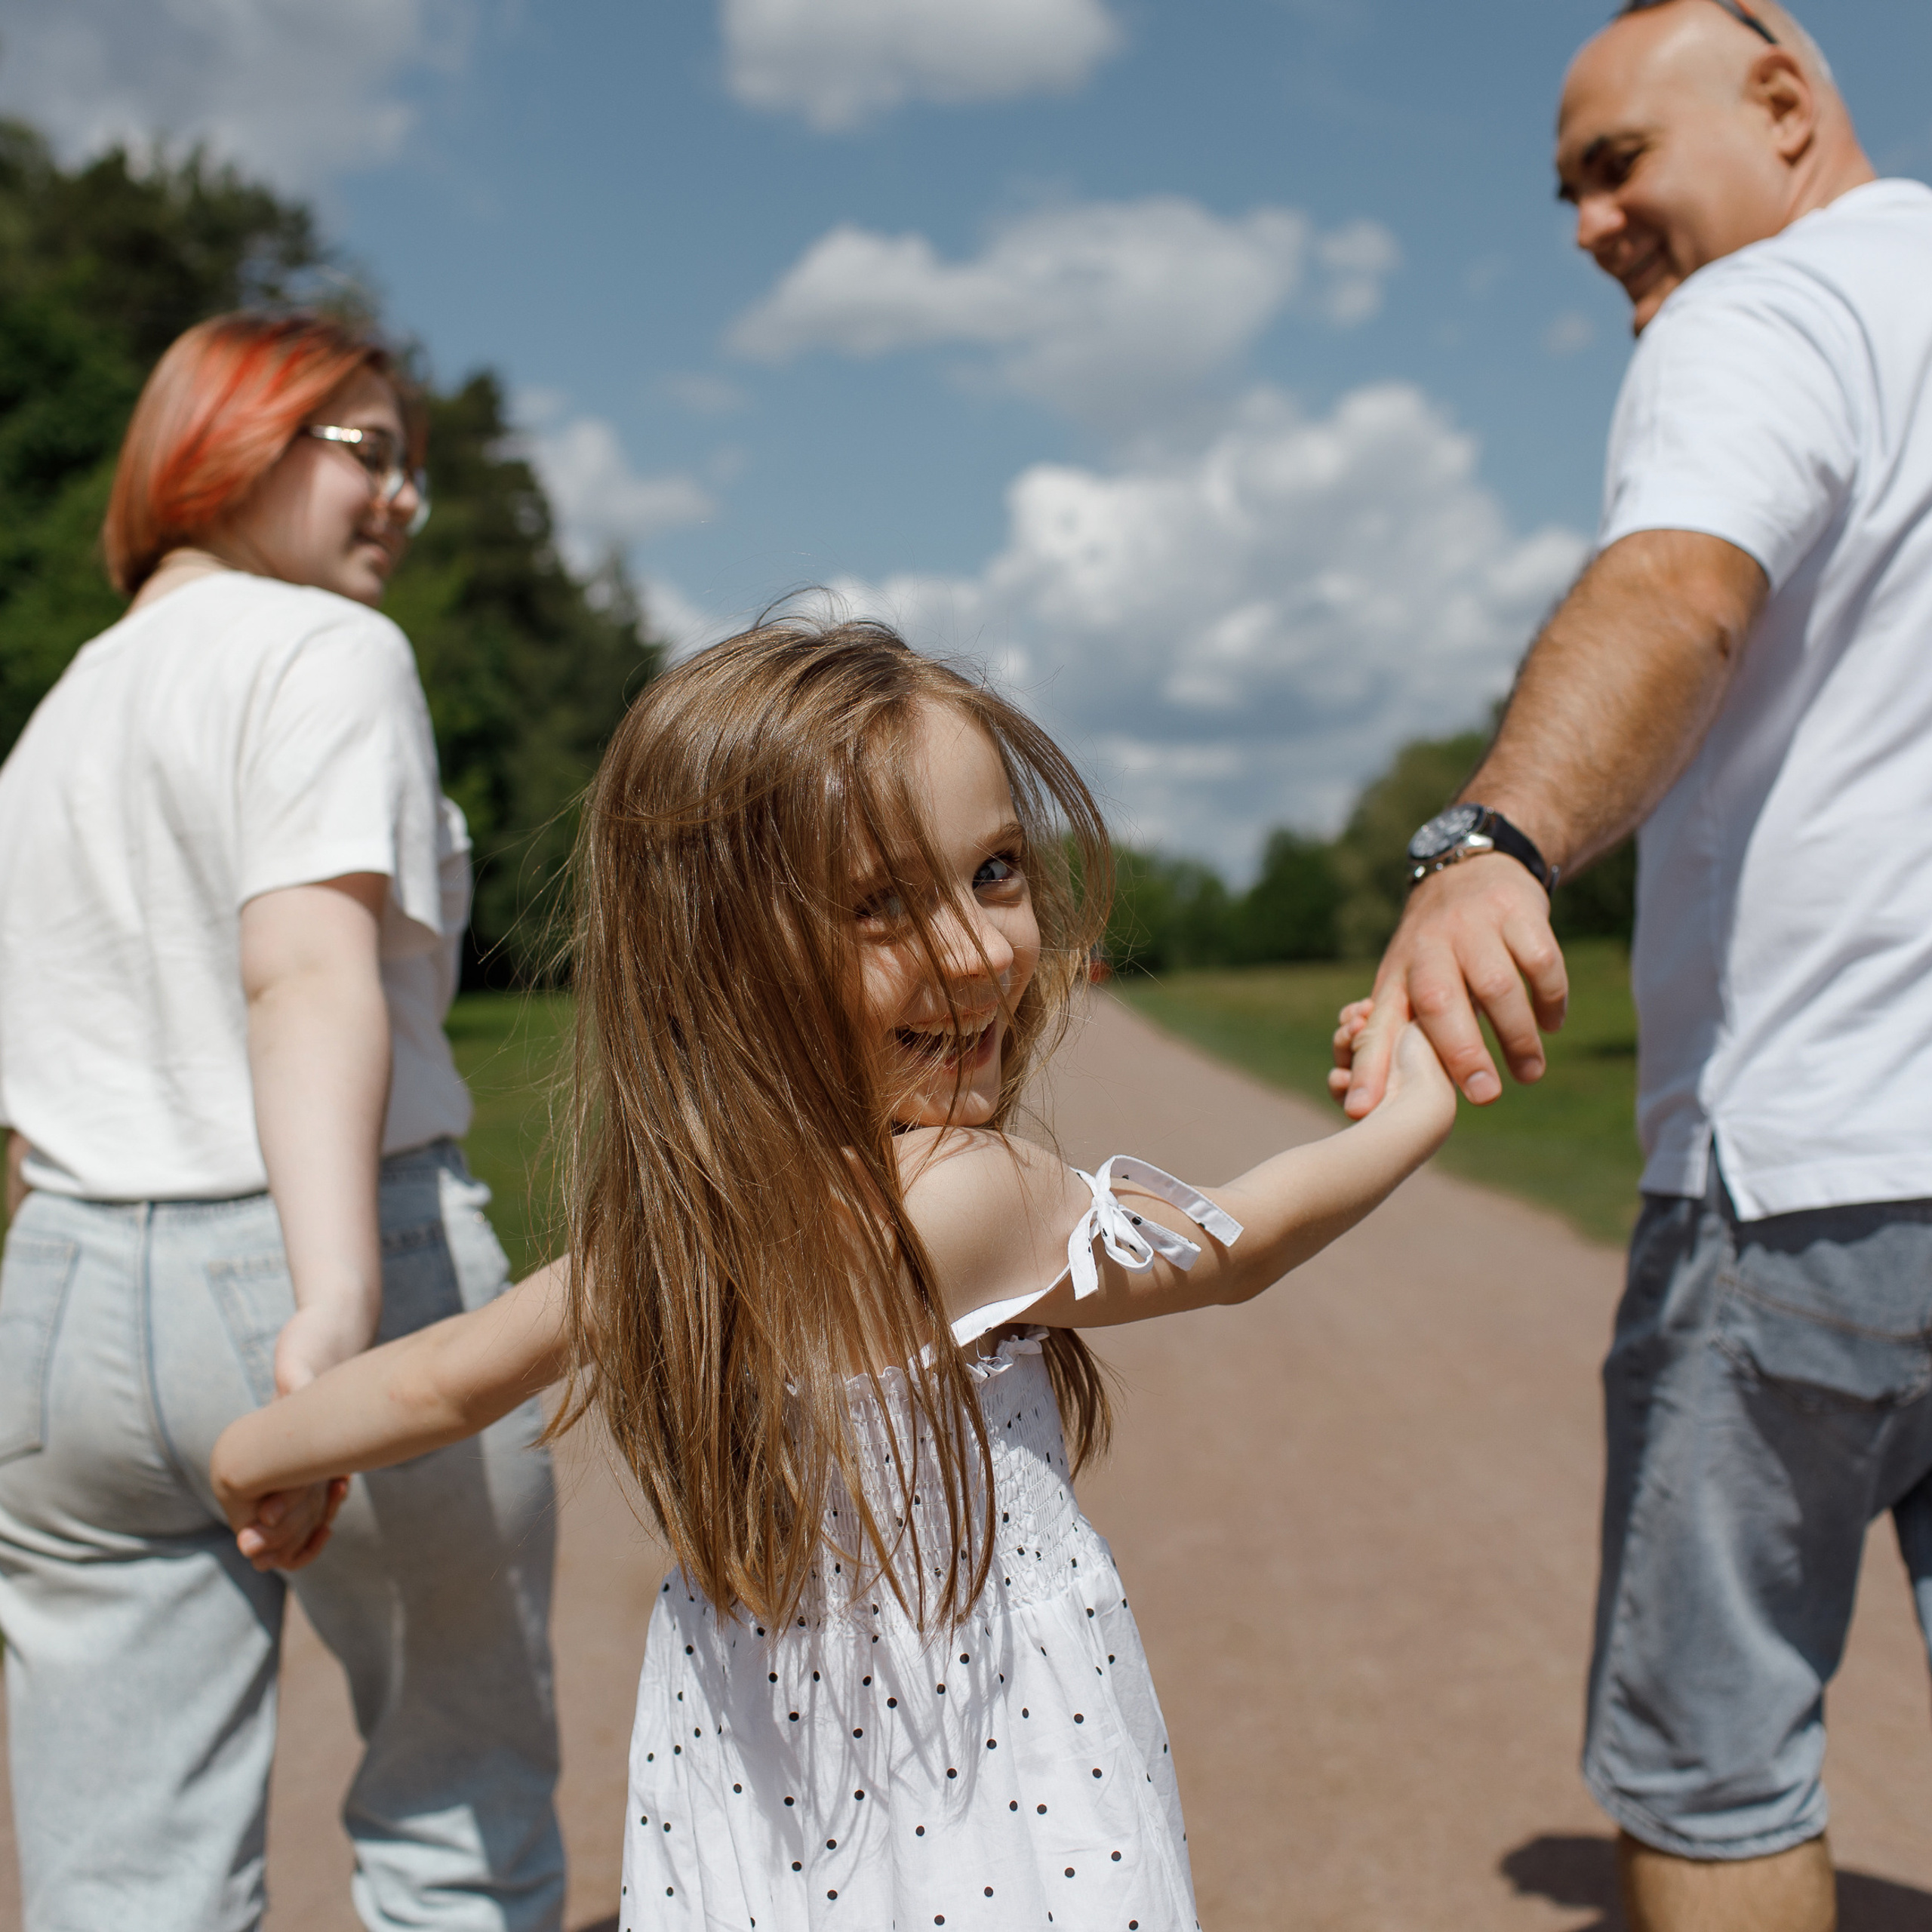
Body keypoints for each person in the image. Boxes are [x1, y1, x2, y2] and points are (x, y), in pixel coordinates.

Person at [210, 620, 1459, 1928]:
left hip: (750, 1787)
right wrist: (1408, 1115)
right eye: (880, 905)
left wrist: (258, 1455)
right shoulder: (965, 1199)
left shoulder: (670, 1238)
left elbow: (438, 1385)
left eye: (996, 871)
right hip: (991, 1778)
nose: (978, 952)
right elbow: (1238, 1245)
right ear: (719, 955)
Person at [1334, 4, 1932, 1928]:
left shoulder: (1763, 312)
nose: (1590, 225)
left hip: (1808, 1170)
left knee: (1713, 1748)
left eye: (1615, 165)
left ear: (1781, 104)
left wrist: (1489, 840)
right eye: (1568, 191)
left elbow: (1675, 583)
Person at [0, 312, 563, 1930]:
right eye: (365, 453)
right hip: (325, 1255)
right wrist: (331, 1307)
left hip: (64, 1301)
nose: (399, 501)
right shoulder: (325, 652)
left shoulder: (51, 727)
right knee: (454, 1801)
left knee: (122, 1871)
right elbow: (305, 968)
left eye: (413, 470)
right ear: (227, 437)